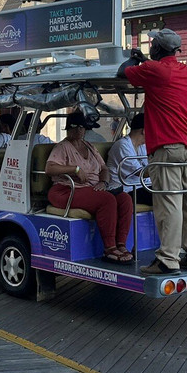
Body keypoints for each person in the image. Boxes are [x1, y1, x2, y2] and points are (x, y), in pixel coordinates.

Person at [119, 28, 187, 273]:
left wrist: (135, 58)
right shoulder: (185, 71)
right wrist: (146, 60)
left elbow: (124, 72)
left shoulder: (152, 70)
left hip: (166, 145)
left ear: (157, 48)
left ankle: (168, 259)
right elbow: (160, 72)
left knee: (169, 202)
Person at [46, 111, 133, 264]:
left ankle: (121, 244)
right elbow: (50, 168)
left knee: (125, 198)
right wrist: (75, 169)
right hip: (67, 189)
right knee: (107, 200)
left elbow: (104, 168)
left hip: (91, 188)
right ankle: (109, 248)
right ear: (68, 128)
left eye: (82, 127)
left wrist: (103, 182)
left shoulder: (90, 147)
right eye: (75, 127)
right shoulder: (62, 147)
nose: (79, 130)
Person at [106, 113, 153, 206]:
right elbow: (142, 173)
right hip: (126, 189)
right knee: (163, 195)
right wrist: (164, 166)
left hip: (141, 186)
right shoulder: (122, 145)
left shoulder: (142, 146)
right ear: (144, 131)